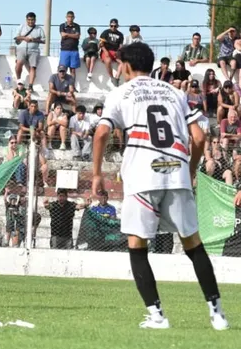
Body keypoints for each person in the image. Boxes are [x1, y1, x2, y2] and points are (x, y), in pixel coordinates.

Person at [93, 41, 228, 330]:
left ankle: (157, 316)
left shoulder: (120, 93)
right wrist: (190, 171)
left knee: (137, 245)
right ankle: (217, 314)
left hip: (143, 175)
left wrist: (96, 174)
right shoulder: (176, 92)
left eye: (119, 64)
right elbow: (200, 138)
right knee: (193, 243)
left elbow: (101, 132)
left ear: (126, 66)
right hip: (176, 172)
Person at [14, 12, 45, 89]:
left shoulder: (39, 29)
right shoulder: (21, 27)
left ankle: (30, 85)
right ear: (26, 20)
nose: (31, 21)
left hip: (34, 50)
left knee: (33, 67)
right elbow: (16, 37)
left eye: (32, 20)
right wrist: (24, 38)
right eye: (29, 20)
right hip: (21, 49)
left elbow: (44, 41)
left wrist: (33, 40)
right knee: (18, 64)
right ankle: (19, 81)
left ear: (35, 20)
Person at [99, 19, 125, 85]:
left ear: (117, 26)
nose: (113, 27)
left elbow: (121, 45)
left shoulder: (120, 34)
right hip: (106, 50)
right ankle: (112, 77)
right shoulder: (105, 32)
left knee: (122, 63)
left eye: (115, 26)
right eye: (112, 26)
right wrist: (105, 51)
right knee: (108, 61)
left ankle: (117, 78)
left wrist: (118, 51)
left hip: (115, 51)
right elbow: (101, 44)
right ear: (109, 25)